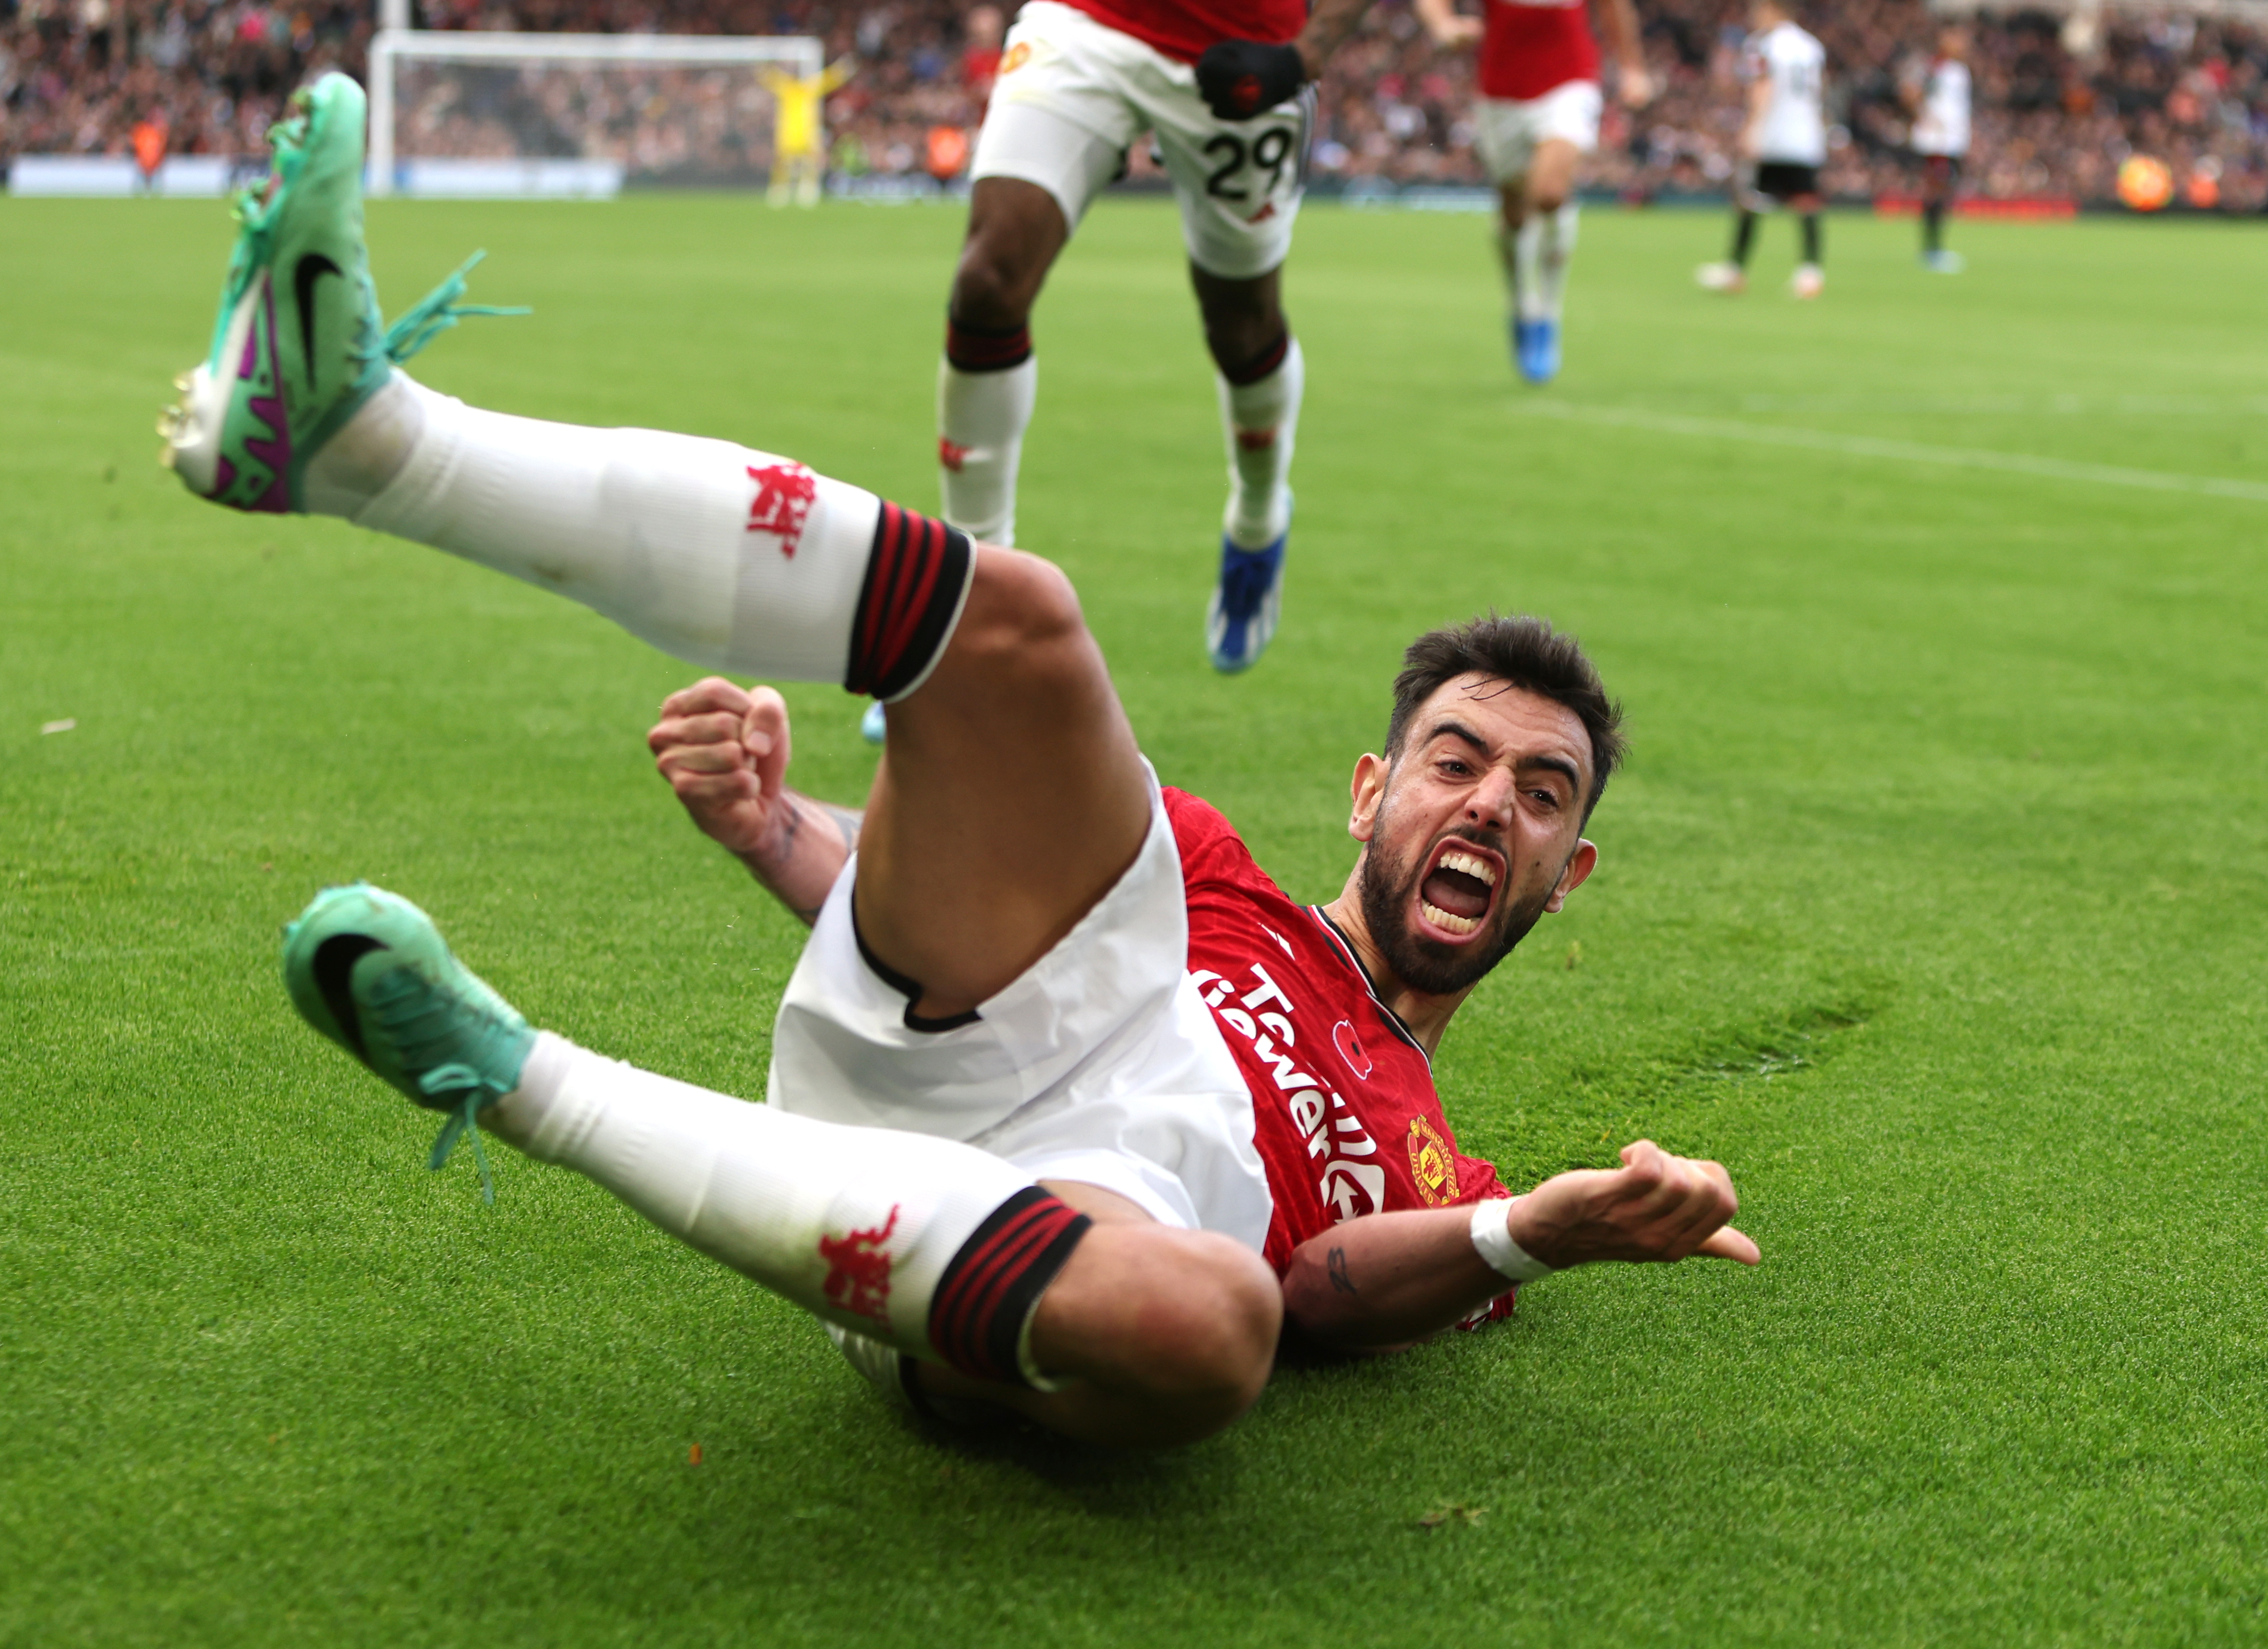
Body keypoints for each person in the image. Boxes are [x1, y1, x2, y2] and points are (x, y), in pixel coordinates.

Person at [162, 74, 1758, 1450]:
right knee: (1020, 625)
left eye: (1540, 795)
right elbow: (943, 888)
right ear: (1370, 789)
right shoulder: (1198, 870)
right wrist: (769, 817)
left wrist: (1522, 1231)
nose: (1489, 801)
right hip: (1008, 1033)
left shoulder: (1440, 1160)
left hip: (1095, 1236)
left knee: (1215, 1330)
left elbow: (1313, 1294)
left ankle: (515, 1078)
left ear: (1571, 871)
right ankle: (365, 438)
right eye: (1457, 759)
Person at [935, 0, 1388, 674]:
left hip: (1244, 49)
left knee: (1241, 325)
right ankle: (976, 599)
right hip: (1085, 28)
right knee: (988, 281)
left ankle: (1259, 518)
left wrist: (1301, 57)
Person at [1416, 0, 1652, 384]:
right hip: (1500, 93)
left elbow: (1615, 8)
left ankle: (1548, 314)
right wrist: (1441, 23)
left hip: (1569, 80)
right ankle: (1522, 303)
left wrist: (1633, 67)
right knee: (1513, 211)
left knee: (1549, 193)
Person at [1695, 0, 1828, 299]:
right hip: (1805, 135)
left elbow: (1762, 87)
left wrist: (1752, 128)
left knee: (1749, 201)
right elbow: (1819, 91)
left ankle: (1735, 270)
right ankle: (1811, 273)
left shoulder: (1763, 44)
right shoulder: (1811, 46)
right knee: (1806, 202)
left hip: (1773, 135)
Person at [1905, 24, 1970, 273]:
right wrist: (1925, 117)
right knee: (1936, 193)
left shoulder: (1958, 70)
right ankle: (1931, 251)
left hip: (1953, 142)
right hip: (1937, 143)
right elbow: (1910, 91)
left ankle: (1935, 249)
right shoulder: (1935, 67)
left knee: (1944, 195)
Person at [757, 54, 854, 209]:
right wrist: (762, 69)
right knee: (783, 165)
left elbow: (829, 79)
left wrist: (841, 69)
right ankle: (779, 192)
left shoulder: (809, 88)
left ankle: (807, 192)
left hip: (808, 135)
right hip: (788, 135)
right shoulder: (787, 88)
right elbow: (771, 79)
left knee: (809, 165)